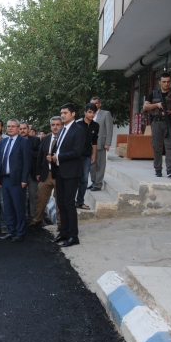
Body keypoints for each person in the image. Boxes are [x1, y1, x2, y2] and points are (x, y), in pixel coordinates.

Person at [51, 104, 86, 247]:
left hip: (72, 172)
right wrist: (54, 157)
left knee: (69, 204)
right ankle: (64, 232)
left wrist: (58, 157)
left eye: (65, 113)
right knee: (61, 203)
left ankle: (73, 236)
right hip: (60, 171)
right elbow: (60, 148)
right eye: (61, 113)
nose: (62, 115)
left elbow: (77, 152)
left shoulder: (79, 130)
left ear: (73, 114)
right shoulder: (62, 130)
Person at [143, 73, 171, 178]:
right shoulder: (154, 93)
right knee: (157, 146)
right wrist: (156, 105)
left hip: (170, 122)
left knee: (170, 146)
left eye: (168, 81)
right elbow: (145, 106)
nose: (166, 84)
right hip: (157, 122)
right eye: (164, 82)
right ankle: (158, 169)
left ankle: (170, 170)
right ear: (160, 82)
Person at [0, 119, 32, 242]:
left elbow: (27, 162)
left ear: (18, 128)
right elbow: (1, 160)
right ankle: (10, 231)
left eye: (13, 126)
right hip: (5, 179)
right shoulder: (4, 141)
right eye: (8, 126)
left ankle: (20, 232)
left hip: (17, 180)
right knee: (8, 207)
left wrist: (24, 179)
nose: (10, 128)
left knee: (19, 207)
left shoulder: (24, 142)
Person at [30, 117, 62, 229]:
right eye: (53, 125)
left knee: (59, 200)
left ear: (62, 125)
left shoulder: (65, 138)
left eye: (58, 124)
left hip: (59, 174)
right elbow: (40, 156)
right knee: (40, 197)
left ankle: (60, 224)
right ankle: (37, 219)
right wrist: (38, 172)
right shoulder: (45, 139)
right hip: (46, 174)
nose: (55, 127)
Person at [75, 103, 99, 210]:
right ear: (85, 112)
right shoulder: (78, 124)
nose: (91, 114)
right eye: (89, 112)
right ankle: (70, 201)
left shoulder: (95, 126)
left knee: (84, 179)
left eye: (93, 112)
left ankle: (80, 202)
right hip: (76, 156)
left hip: (87, 156)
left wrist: (94, 155)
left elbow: (94, 141)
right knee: (74, 179)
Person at [88, 96, 114, 190]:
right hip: (90, 144)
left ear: (100, 104)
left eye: (96, 103)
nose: (94, 105)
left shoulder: (106, 114)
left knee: (100, 165)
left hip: (101, 143)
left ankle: (98, 184)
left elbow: (109, 129)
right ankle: (93, 182)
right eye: (92, 103)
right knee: (92, 165)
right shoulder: (89, 114)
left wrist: (107, 143)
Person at [19, 121, 40, 223]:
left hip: (32, 173)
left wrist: (27, 151)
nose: (22, 130)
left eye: (24, 128)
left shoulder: (35, 140)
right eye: (21, 129)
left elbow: (39, 155)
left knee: (33, 197)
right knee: (21, 197)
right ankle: (23, 217)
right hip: (20, 174)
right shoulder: (15, 141)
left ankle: (34, 218)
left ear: (28, 129)